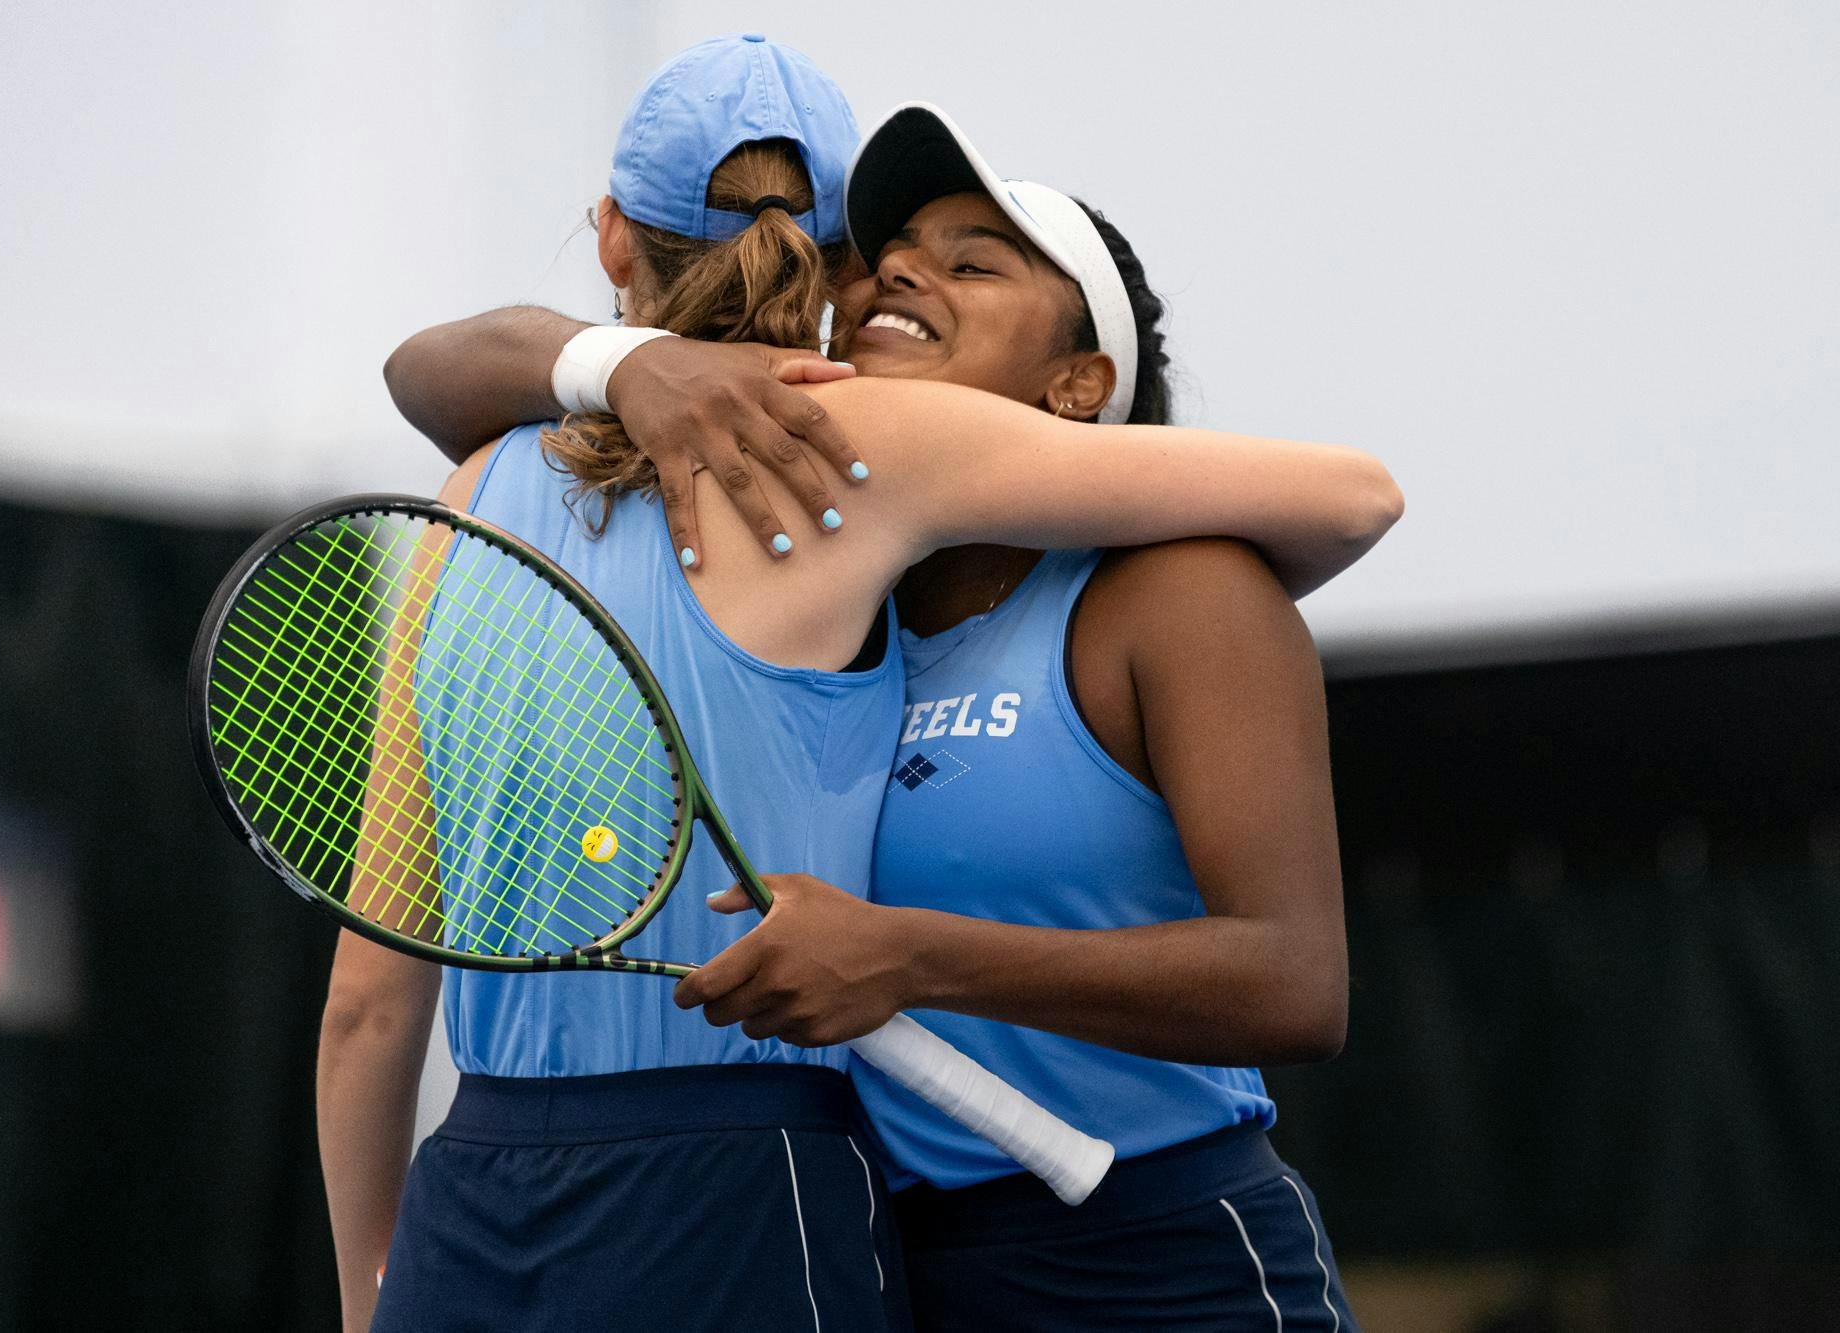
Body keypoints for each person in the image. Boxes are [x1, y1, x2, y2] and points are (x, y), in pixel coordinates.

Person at [353, 41, 1396, 1333]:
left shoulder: (1179, 591)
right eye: (887, 253)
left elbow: (1298, 985)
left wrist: (903, 956)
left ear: (1080, 385)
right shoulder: (839, 590)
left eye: (975, 261)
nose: (901, 267)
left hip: (1161, 1259)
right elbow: (430, 373)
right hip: (912, 1264)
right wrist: (620, 362)